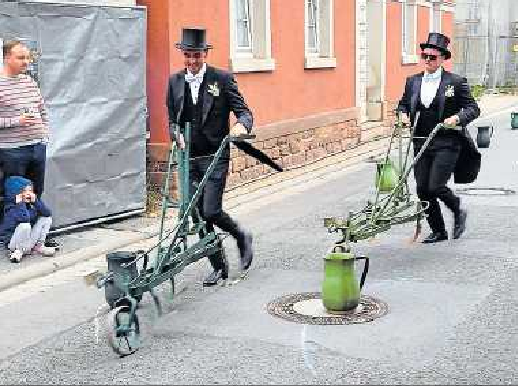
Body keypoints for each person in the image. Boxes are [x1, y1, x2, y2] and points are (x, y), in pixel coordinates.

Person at [166, 27, 254, 286]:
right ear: (183, 55)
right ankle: (218, 266)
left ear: (205, 54)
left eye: (197, 56)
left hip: (215, 156)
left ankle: (241, 236)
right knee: (196, 213)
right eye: (188, 56)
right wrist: (176, 135)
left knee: (211, 210)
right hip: (189, 160)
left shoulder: (222, 79)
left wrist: (240, 127)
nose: (192, 62)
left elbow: (245, 112)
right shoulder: (174, 82)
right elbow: (172, 121)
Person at [397, 32, 481, 244]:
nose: (427, 60)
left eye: (432, 57)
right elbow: (403, 104)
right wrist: (402, 115)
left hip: (447, 142)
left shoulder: (456, 82)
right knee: (422, 189)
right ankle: (439, 230)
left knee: (435, 186)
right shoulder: (413, 82)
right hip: (421, 141)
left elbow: (473, 108)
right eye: (425, 56)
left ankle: (457, 209)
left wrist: (457, 118)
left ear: (442, 58)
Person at [0, 39, 50, 198]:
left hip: (37, 146)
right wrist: (16, 121)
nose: (26, 62)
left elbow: (42, 109)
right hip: (12, 152)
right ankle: (16, 223)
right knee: (15, 197)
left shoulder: (29, 81)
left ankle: (34, 223)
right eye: (21, 58)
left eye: (28, 58)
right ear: (7, 58)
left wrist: (44, 135)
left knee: (36, 194)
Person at [0, 176, 55, 263]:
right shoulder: (10, 208)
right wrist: (20, 203)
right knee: (25, 225)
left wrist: (36, 201)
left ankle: (38, 246)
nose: (29, 194)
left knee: (46, 219)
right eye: (25, 191)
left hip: (27, 242)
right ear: (16, 193)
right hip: (13, 244)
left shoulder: (29, 206)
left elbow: (47, 213)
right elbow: (24, 219)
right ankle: (16, 252)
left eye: (30, 191)